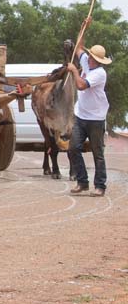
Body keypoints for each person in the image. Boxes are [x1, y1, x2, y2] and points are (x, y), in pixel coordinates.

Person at [67, 26, 111, 196]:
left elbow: (81, 85)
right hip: (81, 115)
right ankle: (82, 182)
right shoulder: (86, 61)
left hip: (96, 118)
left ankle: (100, 185)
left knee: (97, 153)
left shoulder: (100, 73)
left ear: (98, 61)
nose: (89, 59)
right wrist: (84, 27)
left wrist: (73, 71)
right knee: (73, 149)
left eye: (92, 58)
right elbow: (78, 46)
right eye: (90, 56)